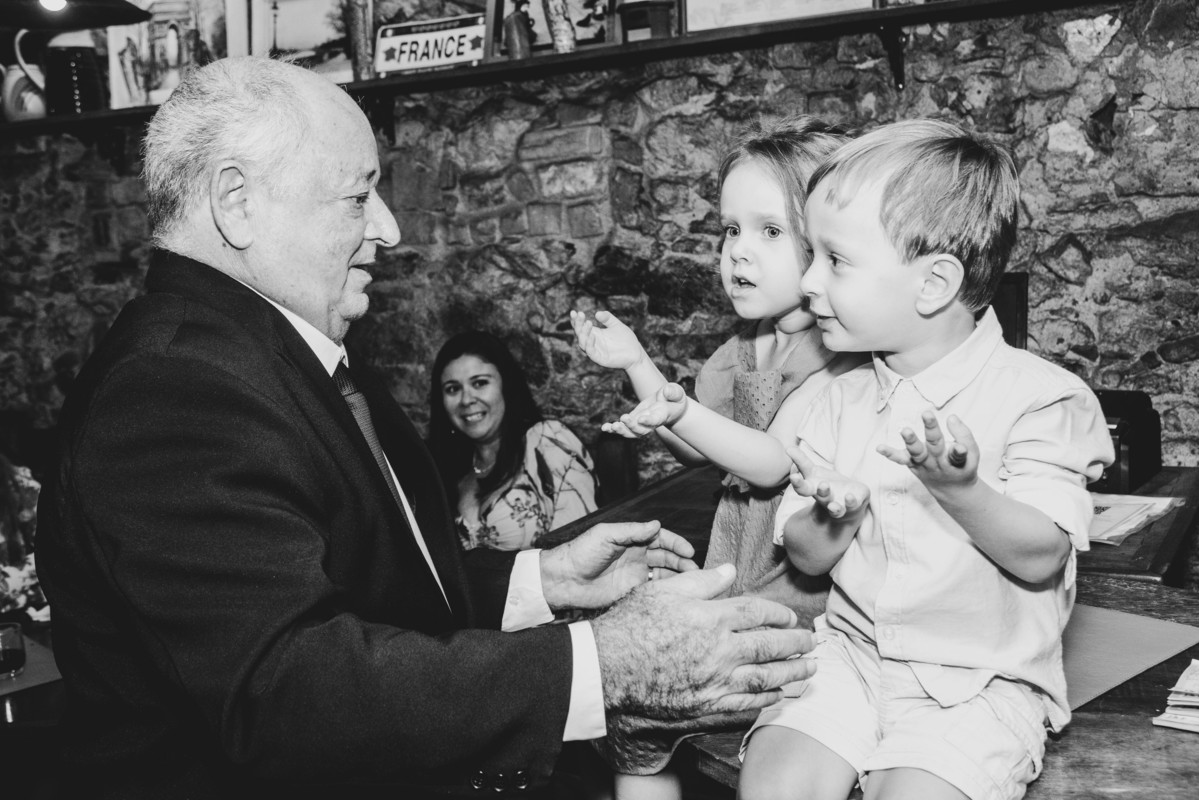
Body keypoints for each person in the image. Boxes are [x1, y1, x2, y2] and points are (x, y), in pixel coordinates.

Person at [34, 57, 820, 800]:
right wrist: (602, 666)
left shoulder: (276, 349)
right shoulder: (175, 389)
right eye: (358, 195)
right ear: (237, 202)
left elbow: (360, 589)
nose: (389, 227)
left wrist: (540, 581)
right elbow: (287, 689)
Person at [737, 119, 1115, 800]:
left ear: (934, 283)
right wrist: (835, 514)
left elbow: (1042, 555)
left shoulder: (1042, 399)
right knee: (773, 786)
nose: (809, 280)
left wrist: (960, 487)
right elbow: (807, 558)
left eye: (834, 260)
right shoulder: (836, 400)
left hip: (975, 684)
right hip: (849, 659)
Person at [572, 115, 868, 799]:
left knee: (645, 699)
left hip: (799, 610)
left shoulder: (833, 356)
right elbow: (701, 444)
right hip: (736, 581)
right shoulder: (743, 346)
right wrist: (639, 367)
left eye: (769, 231)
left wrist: (674, 407)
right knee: (631, 707)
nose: (738, 252)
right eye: (730, 229)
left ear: (825, 246)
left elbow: (766, 460)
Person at [428, 330, 598, 552]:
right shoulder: (447, 470)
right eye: (452, 389)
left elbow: (581, 550)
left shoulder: (547, 441)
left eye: (479, 383)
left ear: (505, 386)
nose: (466, 399)